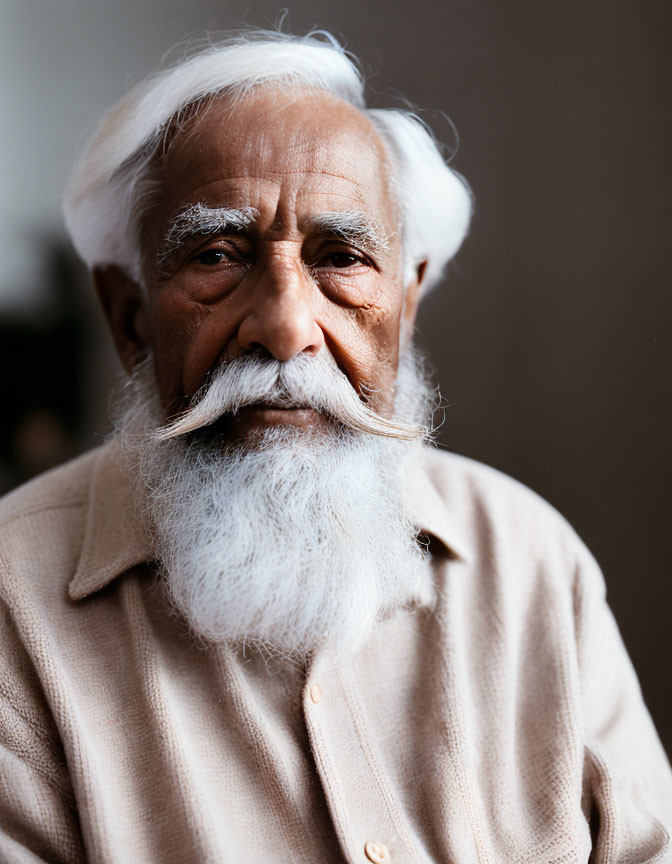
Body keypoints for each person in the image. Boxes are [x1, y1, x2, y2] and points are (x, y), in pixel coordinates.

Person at [0, 29, 670, 864]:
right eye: (216, 256)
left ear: (407, 302)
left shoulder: (533, 562)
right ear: (129, 313)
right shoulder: (11, 600)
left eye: (342, 258)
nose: (286, 330)